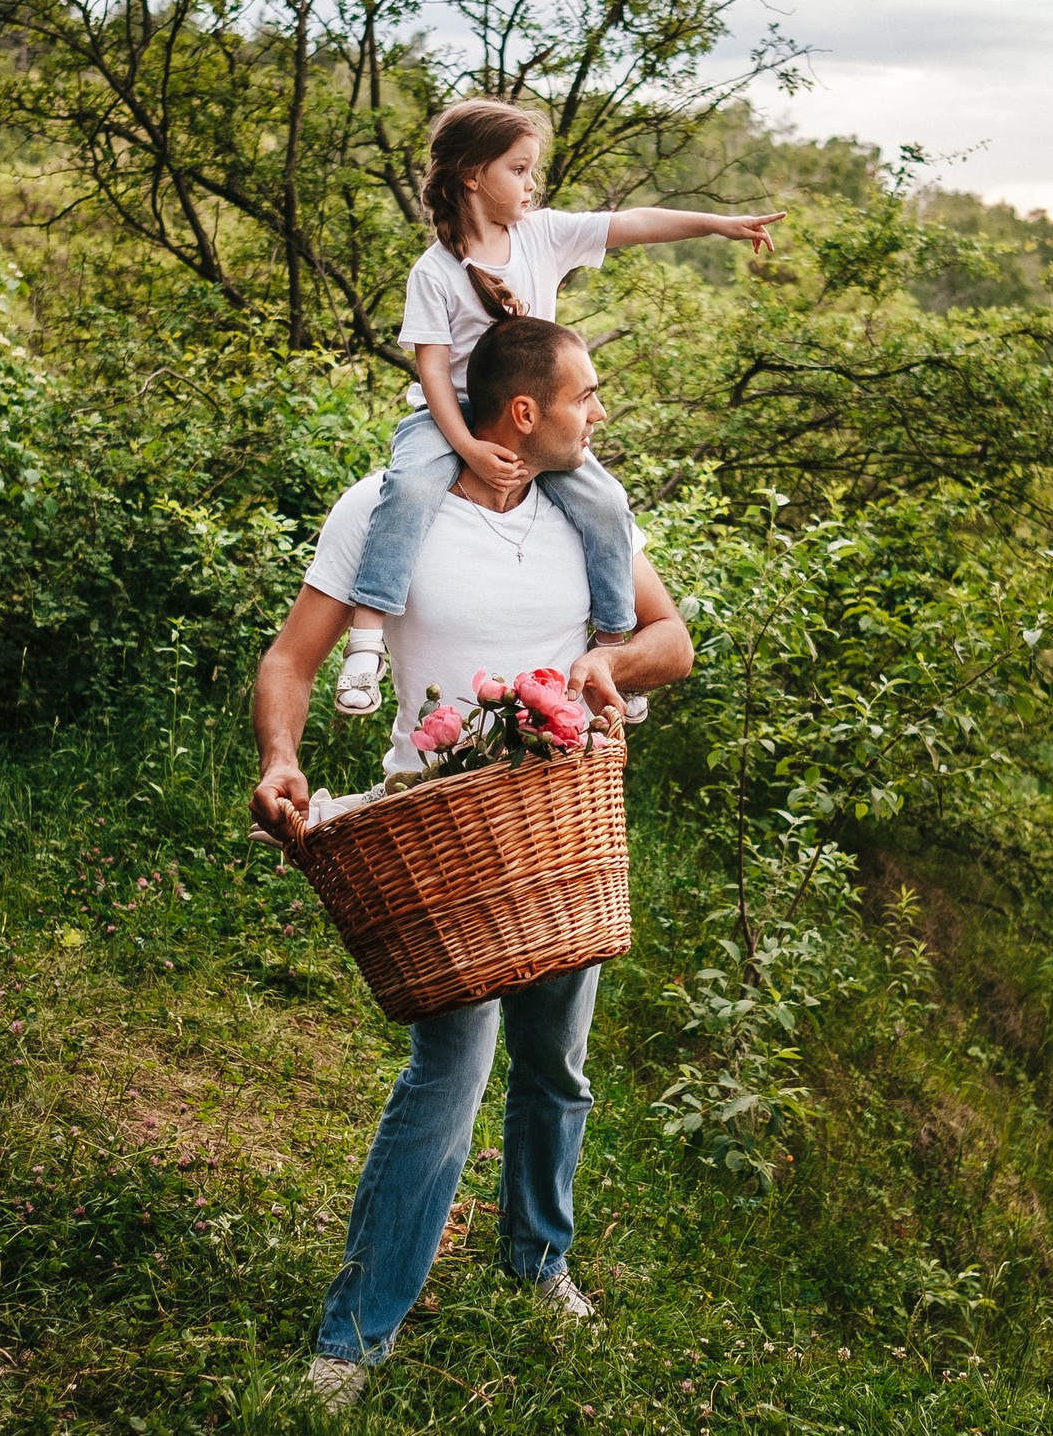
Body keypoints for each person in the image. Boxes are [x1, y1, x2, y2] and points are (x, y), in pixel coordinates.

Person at [249, 317, 695, 1410]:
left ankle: (537, 1259)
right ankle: (350, 1344)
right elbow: (289, 658)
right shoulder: (384, 510)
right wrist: (281, 758)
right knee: (446, 1075)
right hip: (438, 834)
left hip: (559, 827)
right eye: (587, 395)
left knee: (556, 1068)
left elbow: (670, 641)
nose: (601, 413)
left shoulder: (591, 511)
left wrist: (604, 660)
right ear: (524, 411)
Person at [331, 96, 777, 715]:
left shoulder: (541, 236)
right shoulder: (434, 271)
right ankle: (365, 644)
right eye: (517, 169)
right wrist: (464, 445)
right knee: (405, 491)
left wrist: (719, 224)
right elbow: (431, 368)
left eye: (531, 169)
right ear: (470, 173)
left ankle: (615, 646)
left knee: (607, 503)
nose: (530, 184)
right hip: (449, 415)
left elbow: (632, 223)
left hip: (531, 412)